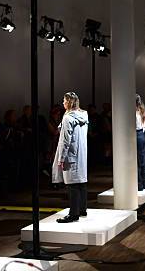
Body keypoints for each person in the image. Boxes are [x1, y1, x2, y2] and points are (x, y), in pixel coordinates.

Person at [52, 92, 89, 223]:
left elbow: (65, 140)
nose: (63, 103)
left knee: (73, 184)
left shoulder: (68, 118)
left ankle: (73, 214)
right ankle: (82, 209)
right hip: (82, 153)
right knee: (81, 182)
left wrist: (61, 158)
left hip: (71, 154)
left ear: (69, 102)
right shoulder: (84, 115)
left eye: (64, 100)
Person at [135, 94, 145, 191]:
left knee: (137, 161)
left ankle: (139, 184)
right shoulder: (142, 110)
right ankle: (143, 183)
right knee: (141, 159)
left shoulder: (135, 111)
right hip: (141, 134)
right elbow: (143, 126)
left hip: (136, 134)